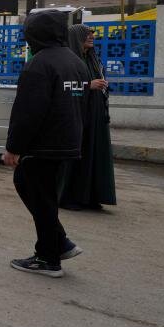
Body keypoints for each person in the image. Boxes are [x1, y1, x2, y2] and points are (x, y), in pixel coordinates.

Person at [4, 9, 89, 278]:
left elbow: (28, 111)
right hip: (68, 140)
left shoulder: (39, 64)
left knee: (32, 189)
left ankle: (50, 255)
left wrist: (14, 146)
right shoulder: (76, 62)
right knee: (45, 196)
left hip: (44, 144)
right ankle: (55, 246)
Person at [60, 24, 116, 210]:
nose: (91, 36)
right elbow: (63, 89)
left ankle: (90, 196)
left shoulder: (93, 60)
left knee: (94, 156)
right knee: (76, 157)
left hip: (96, 116)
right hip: (77, 116)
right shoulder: (69, 62)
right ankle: (69, 197)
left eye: (92, 33)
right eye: (87, 34)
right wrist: (87, 85)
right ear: (76, 38)